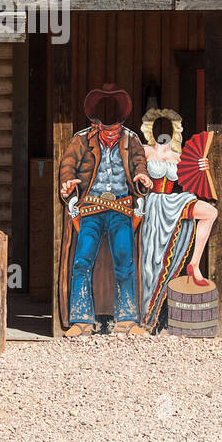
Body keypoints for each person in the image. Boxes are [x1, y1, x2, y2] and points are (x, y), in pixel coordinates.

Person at [57, 84, 151, 337]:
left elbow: (139, 164)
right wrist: (68, 182)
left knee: (125, 263)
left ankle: (128, 320)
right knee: (81, 262)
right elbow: (67, 165)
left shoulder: (131, 139)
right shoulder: (80, 139)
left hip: (121, 207)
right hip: (90, 208)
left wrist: (142, 177)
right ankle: (81, 320)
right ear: (96, 117)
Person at [135, 108, 219, 333]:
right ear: (150, 129)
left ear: (175, 130)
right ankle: (147, 313)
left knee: (210, 212)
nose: (163, 132)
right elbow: (130, 172)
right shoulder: (142, 151)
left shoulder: (179, 156)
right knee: (151, 261)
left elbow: (191, 179)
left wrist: (203, 168)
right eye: (158, 126)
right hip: (151, 203)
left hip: (174, 201)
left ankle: (194, 263)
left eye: (168, 127)